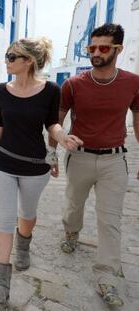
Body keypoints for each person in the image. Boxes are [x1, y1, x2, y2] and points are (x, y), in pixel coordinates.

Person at [0, 37, 83, 307]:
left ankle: (24, 244)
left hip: (34, 167)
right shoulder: (0, 90)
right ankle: (0, 285)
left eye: (12, 56)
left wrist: (62, 137)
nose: (7, 60)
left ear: (28, 61)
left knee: (26, 216)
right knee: (4, 222)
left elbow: (52, 123)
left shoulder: (51, 90)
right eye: (7, 55)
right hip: (5, 164)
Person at [53, 23, 139, 306]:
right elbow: (57, 120)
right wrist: (53, 150)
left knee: (110, 220)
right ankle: (71, 231)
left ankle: (108, 279)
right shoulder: (73, 85)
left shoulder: (133, 83)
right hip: (79, 157)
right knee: (73, 205)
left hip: (115, 160)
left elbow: (138, 121)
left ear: (118, 50)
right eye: (92, 48)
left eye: (103, 48)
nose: (96, 53)